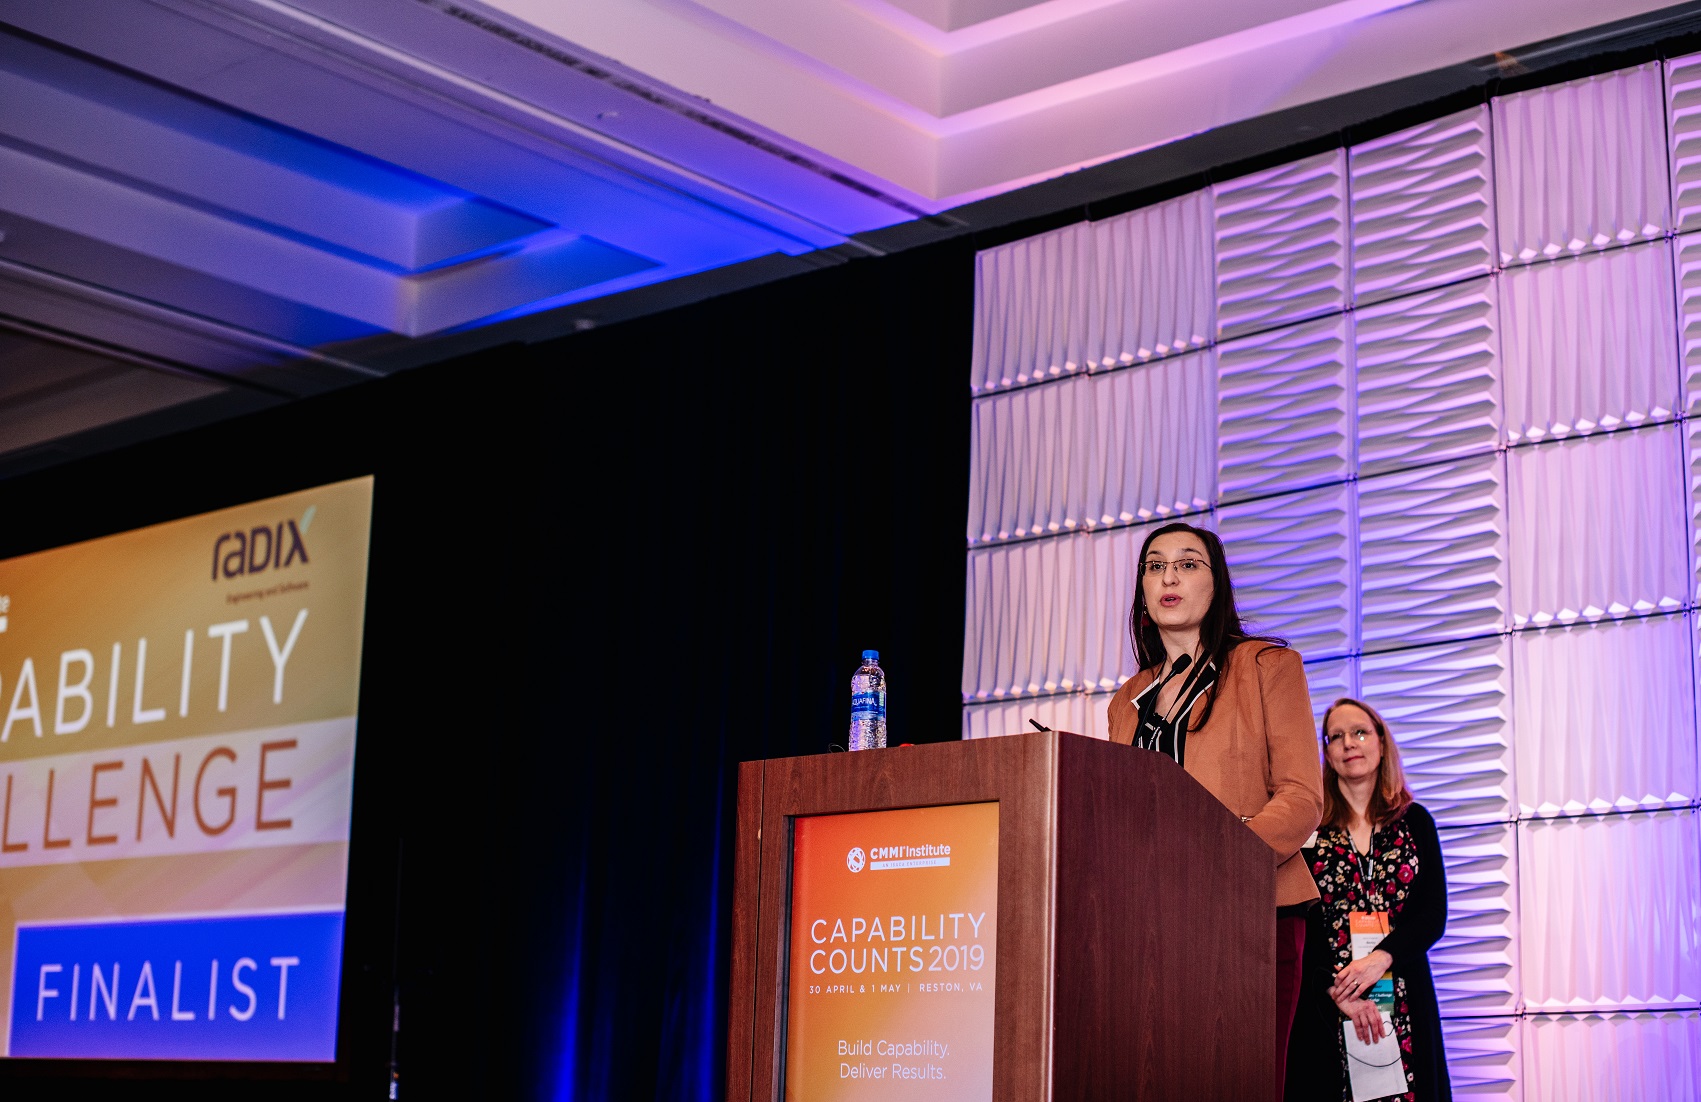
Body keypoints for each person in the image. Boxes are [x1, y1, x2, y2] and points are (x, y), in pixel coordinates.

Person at [1106, 521, 1324, 1082]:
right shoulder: (1127, 701)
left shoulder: (1267, 666)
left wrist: (1222, 858)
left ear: (1216, 583)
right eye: (1155, 566)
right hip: (1152, 921)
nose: (1168, 577)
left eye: (1187, 564)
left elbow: (1301, 796)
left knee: (1240, 1079)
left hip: (1252, 910)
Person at [1284, 698, 1450, 1102]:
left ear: (1381, 741)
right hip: (1329, 1001)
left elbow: (1432, 914)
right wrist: (1336, 991)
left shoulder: (1416, 822)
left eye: (1359, 732)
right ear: (1326, 754)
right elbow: (1299, 920)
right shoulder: (1310, 832)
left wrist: (1381, 958)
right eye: (1336, 736)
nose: (1348, 743)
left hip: (1403, 989)